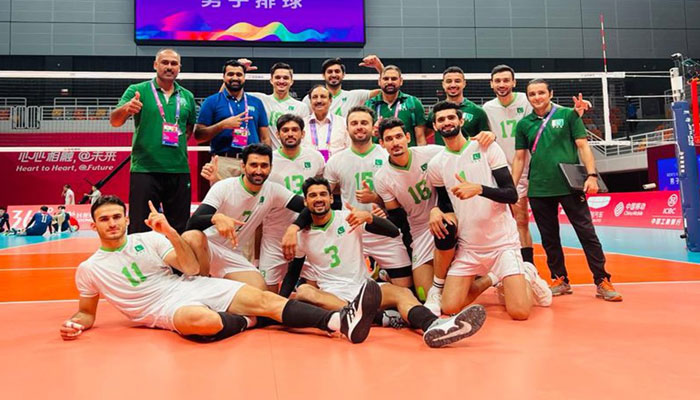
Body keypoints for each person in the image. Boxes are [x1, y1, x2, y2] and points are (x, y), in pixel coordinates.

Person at [59, 195, 381, 344]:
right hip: (162, 310)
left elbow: (188, 267)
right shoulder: (89, 269)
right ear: (94, 224)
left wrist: (169, 231)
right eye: (105, 219)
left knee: (263, 298)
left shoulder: (148, 240)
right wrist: (75, 324)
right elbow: (87, 313)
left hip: (188, 286)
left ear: (127, 219)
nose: (112, 223)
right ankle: (245, 322)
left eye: (117, 217)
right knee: (198, 320)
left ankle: (339, 321)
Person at [283, 177, 486, 348]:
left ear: (330, 197)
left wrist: (369, 218)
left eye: (322, 194)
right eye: (312, 195)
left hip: (364, 289)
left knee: (402, 292)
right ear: (305, 202)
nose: (318, 199)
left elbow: (392, 231)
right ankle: (380, 318)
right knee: (303, 292)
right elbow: (293, 274)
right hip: (332, 294)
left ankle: (434, 326)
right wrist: (279, 302)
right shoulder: (301, 236)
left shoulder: (347, 218)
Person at [427, 101, 551, 319]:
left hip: (502, 243)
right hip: (469, 246)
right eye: (441, 120)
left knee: (520, 313)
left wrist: (479, 189)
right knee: (449, 308)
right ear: (436, 127)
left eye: (451, 118)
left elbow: (510, 194)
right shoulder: (436, 163)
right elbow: (446, 203)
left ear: (461, 120)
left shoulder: (486, 147)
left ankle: (527, 272)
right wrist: (436, 211)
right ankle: (492, 278)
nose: (447, 122)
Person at [512, 79, 622, 302]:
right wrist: (511, 188)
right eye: (532, 94)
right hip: (539, 189)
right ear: (528, 97)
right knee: (549, 238)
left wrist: (591, 176)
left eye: (541, 92)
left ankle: (602, 280)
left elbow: (583, 146)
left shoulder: (568, 116)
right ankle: (560, 279)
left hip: (570, 186)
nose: (537, 97)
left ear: (550, 93)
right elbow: (519, 158)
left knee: (587, 233)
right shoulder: (524, 124)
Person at [484, 65, 592, 266]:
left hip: (534, 171)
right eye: (497, 81)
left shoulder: (527, 99)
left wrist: (578, 111)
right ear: (491, 84)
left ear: (514, 82)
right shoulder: (487, 108)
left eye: (506, 80)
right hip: (506, 171)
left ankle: (528, 267)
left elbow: (551, 113)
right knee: (511, 222)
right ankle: (513, 266)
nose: (502, 84)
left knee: (526, 222)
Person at [185, 144, 310, 290]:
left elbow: (308, 206)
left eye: (264, 166)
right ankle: (200, 287)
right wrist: (215, 218)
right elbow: (191, 224)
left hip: (232, 254)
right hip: (208, 247)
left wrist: (293, 228)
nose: (258, 171)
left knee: (259, 290)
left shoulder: (273, 190)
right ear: (243, 166)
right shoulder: (223, 187)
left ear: (270, 167)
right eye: (253, 165)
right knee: (192, 236)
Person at [315, 106, 413, 287]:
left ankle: (383, 275)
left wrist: (376, 199)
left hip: (385, 227)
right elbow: (325, 196)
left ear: (373, 127)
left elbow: (403, 196)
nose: (359, 127)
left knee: (406, 287)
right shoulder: (336, 160)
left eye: (364, 123)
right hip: (351, 231)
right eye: (354, 123)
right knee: (347, 288)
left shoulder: (386, 155)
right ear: (347, 128)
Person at [110, 48, 197, 234]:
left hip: (178, 170)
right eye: (164, 62)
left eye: (174, 64)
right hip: (145, 169)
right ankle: (140, 263)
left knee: (179, 227)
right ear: (155, 65)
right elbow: (115, 122)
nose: (169, 67)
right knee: (140, 227)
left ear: (179, 68)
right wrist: (126, 108)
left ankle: (177, 264)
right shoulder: (137, 91)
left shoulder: (187, 96)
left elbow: (188, 130)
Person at [195, 59, 270, 179]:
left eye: (239, 74)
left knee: (252, 197)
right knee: (223, 198)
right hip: (223, 161)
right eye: (230, 74)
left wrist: (267, 161)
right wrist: (222, 125)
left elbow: (265, 138)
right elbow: (199, 136)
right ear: (223, 77)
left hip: (252, 162)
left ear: (244, 78)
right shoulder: (212, 101)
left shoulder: (256, 102)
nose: (235, 78)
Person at [243, 61, 311, 149]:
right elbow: (225, 96)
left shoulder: (301, 107)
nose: (281, 81)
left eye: (285, 78)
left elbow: (304, 138)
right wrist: (239, 68)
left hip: (291, 158)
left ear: (291, 81)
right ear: (271, 80)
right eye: (278, 77)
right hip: (268, 157)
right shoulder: (260, 100)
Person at [426, 66, 491, 146]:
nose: (453, 85)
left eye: (457, 81)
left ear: (464, 83)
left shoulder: (477, 111)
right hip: (443, 156)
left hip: (468, 156)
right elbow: (424, 134)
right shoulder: (435, 112)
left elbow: (487, 137)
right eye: (449, 81)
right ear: (443, 84)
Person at [302, 56, 385, 118]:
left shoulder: (354, 96)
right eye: (330, 72)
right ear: (324, 75)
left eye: (337, 71)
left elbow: (385, 91)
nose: (334, 75)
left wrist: (379, 67)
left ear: (343, 75)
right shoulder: (311, 99)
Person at [365, 65, 427, 147]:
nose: (390, 82)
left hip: (406, 155)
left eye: (394, 79)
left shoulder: (413, 102)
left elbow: (420, 137)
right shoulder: (369, 104)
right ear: (379, 81)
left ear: (401, 81)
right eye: (386, 79)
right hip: (378, 156)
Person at [302, 85, 350, 161]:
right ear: (310, 101)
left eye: (323, 97)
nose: (319, 101)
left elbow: (350, 150)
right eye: (314, 97)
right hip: (309, 170)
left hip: (336, 171)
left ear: (330, 100)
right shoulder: (302, 125)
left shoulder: (343, 123)